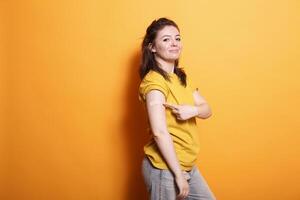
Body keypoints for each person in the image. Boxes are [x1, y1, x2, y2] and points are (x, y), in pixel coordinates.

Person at [138, 18, 216, 200]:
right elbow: (159, 132)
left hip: (187, 164)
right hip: (165, 168)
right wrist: (178, 175)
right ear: (152, 47)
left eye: (177, 38)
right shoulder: (155, 81)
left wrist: (193, 111)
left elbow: (207, 109)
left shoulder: (181, 78)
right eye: (166, 39)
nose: (174, 43)